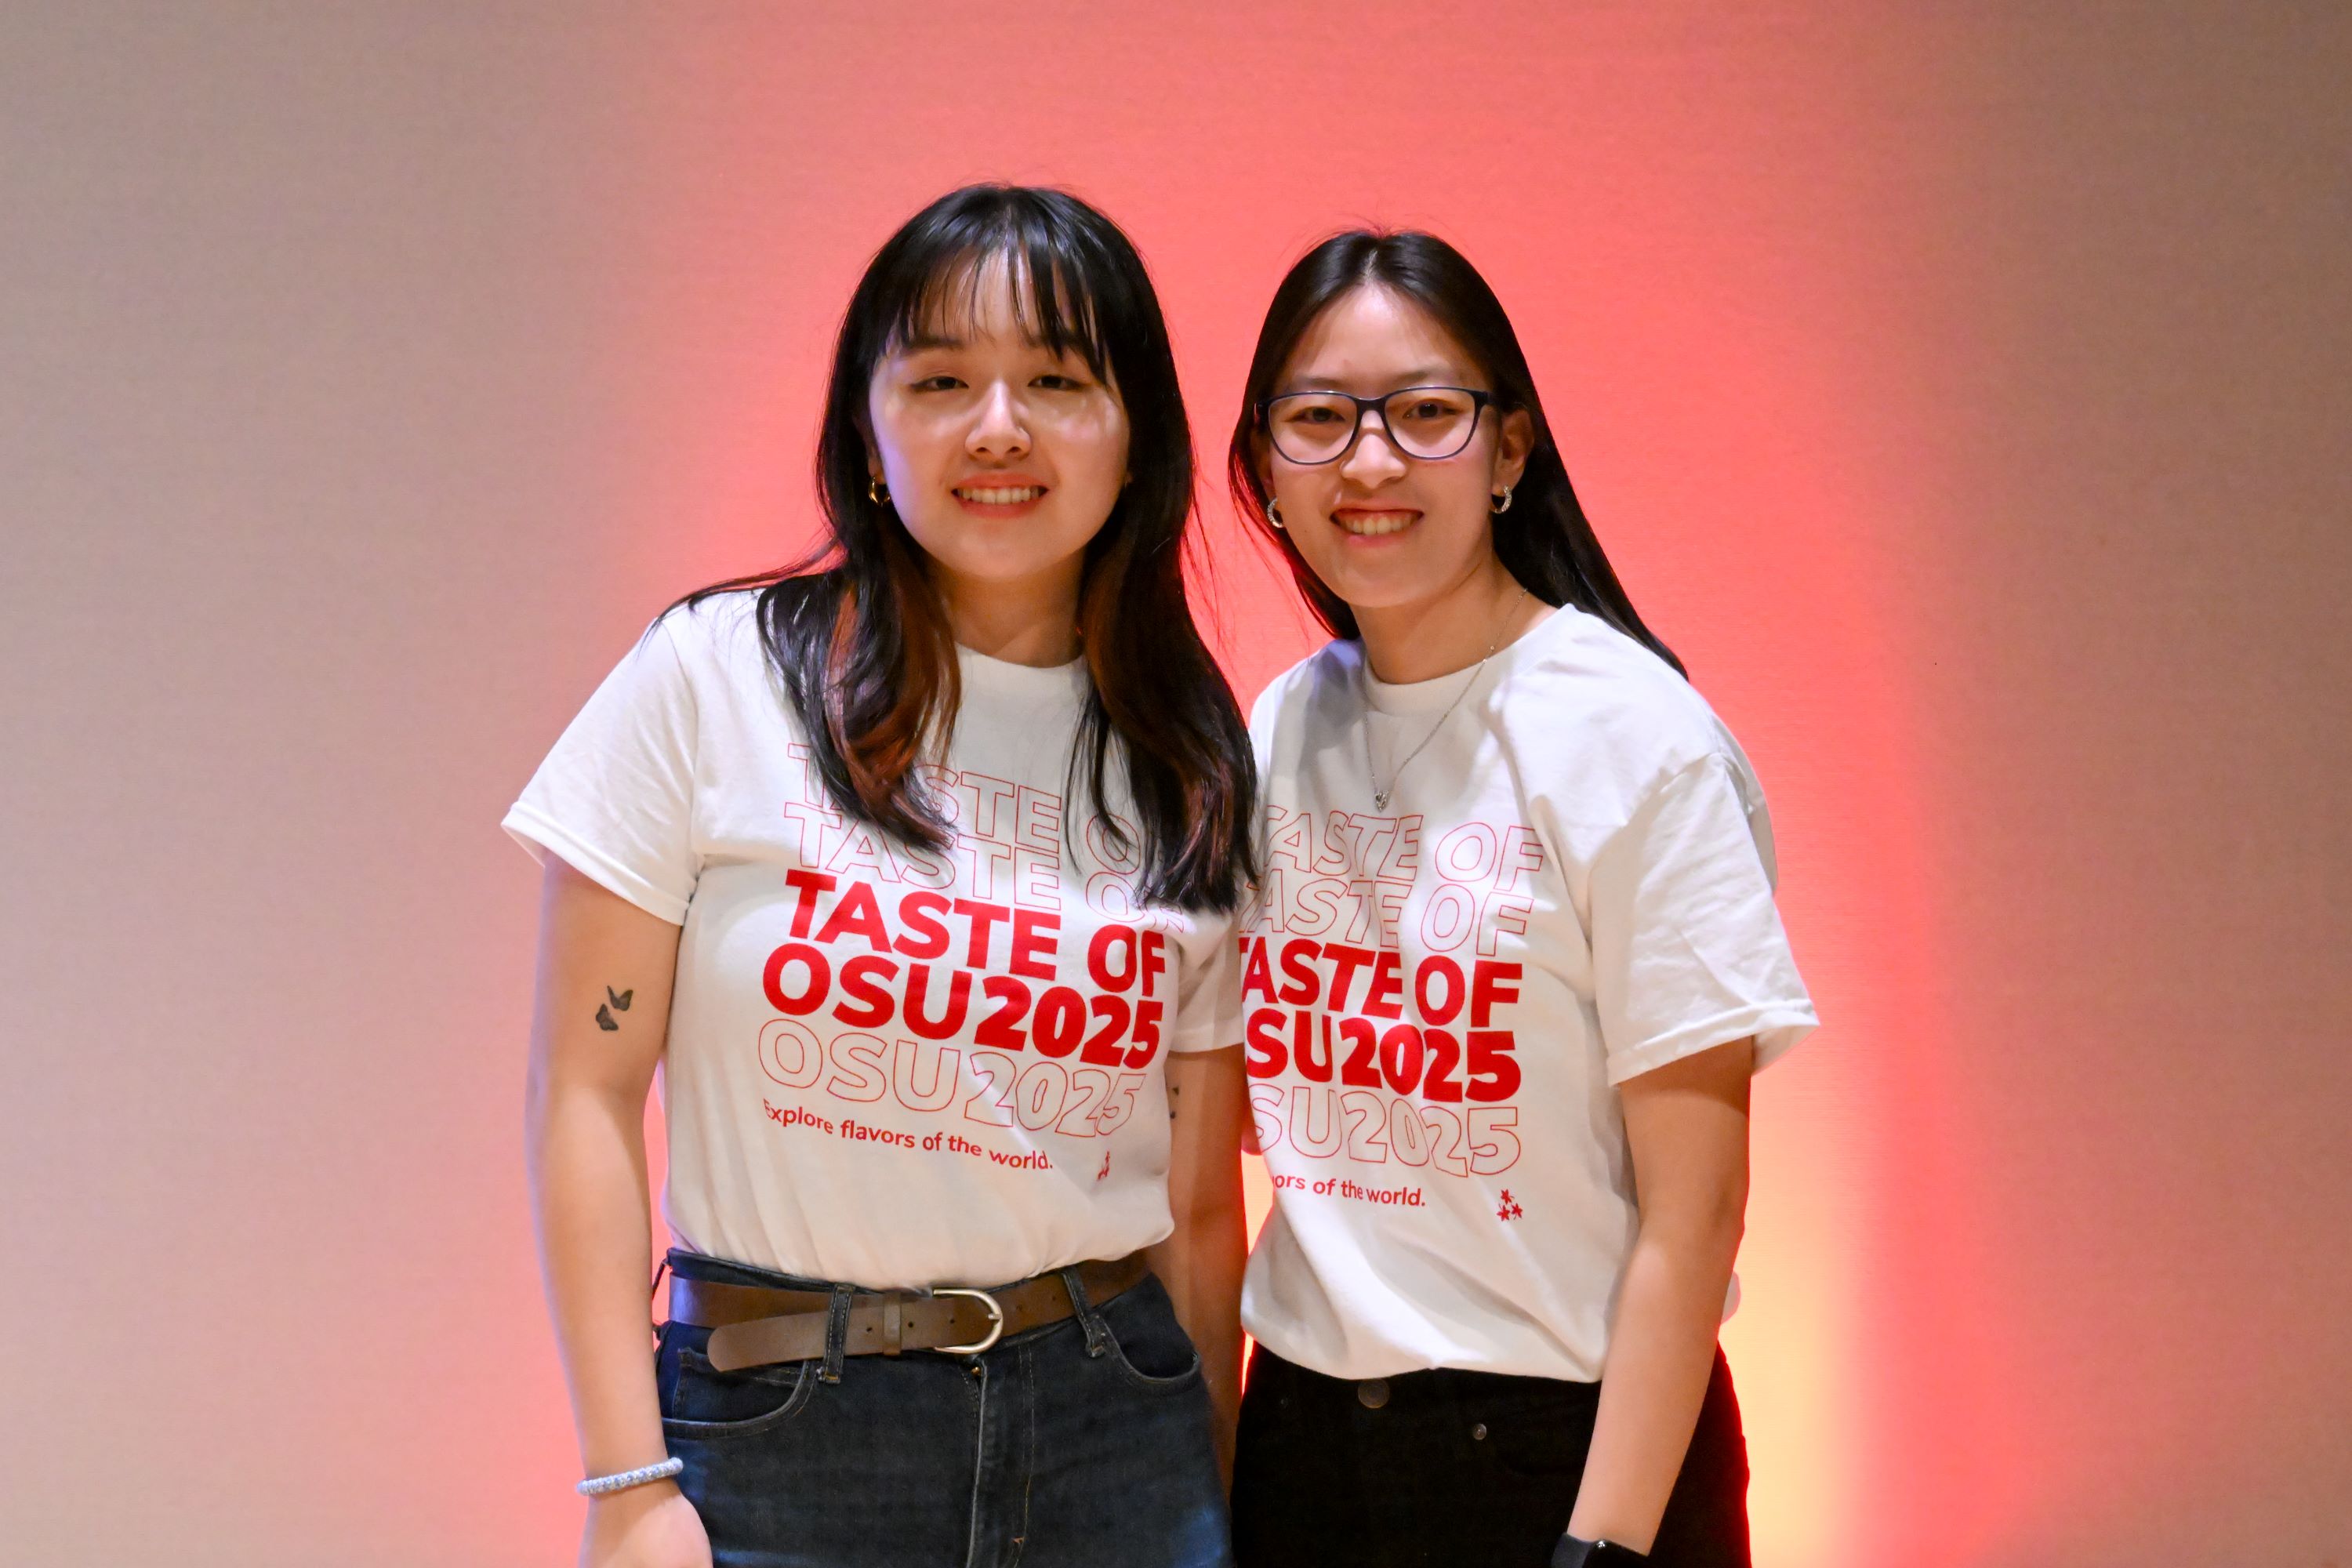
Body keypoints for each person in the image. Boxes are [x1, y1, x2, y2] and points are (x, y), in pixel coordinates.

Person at [506, 184, 1258, 1568]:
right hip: (781, 1426)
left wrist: (1205, 1496)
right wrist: (627, 1485)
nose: (998, 427)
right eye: (942, 378)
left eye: (1056, 380)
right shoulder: (714, 675)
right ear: (868, 424)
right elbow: (586, 1097)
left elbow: (1204, 1218)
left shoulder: (1186, 752)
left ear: (1135, 431)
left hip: (1114, 1431)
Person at [1221, 230, 1820, 1568]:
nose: (1369, 462)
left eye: (1427, 413)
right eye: (1318, 419)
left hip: (1566, 1455)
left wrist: (1601, 1546)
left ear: (1508, 454)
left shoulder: (1632, 737)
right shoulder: (1281, 727)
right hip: (1306, 1447)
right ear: (1265, 464)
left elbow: (1696, 1212)